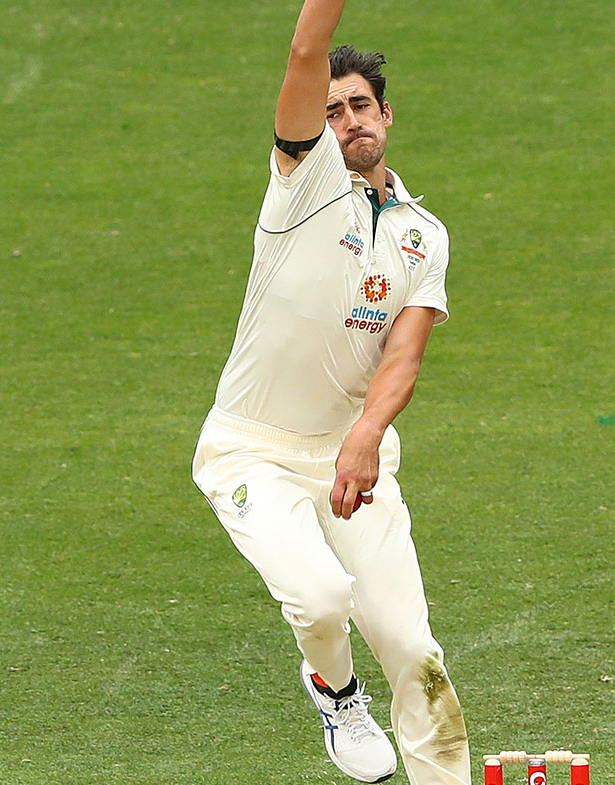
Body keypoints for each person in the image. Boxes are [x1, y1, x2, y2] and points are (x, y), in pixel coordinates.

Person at [191, 2, 469, 782]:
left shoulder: (424, 233)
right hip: (252, 448)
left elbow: (403, 357)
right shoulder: (302, 181)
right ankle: (339, 696)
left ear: (386, 115)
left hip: (355, 455)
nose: (348, 120)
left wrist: (366, 434)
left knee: (414, 648)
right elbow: (307, 44)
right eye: (332, 110)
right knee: (318, 599)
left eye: (360, 107)